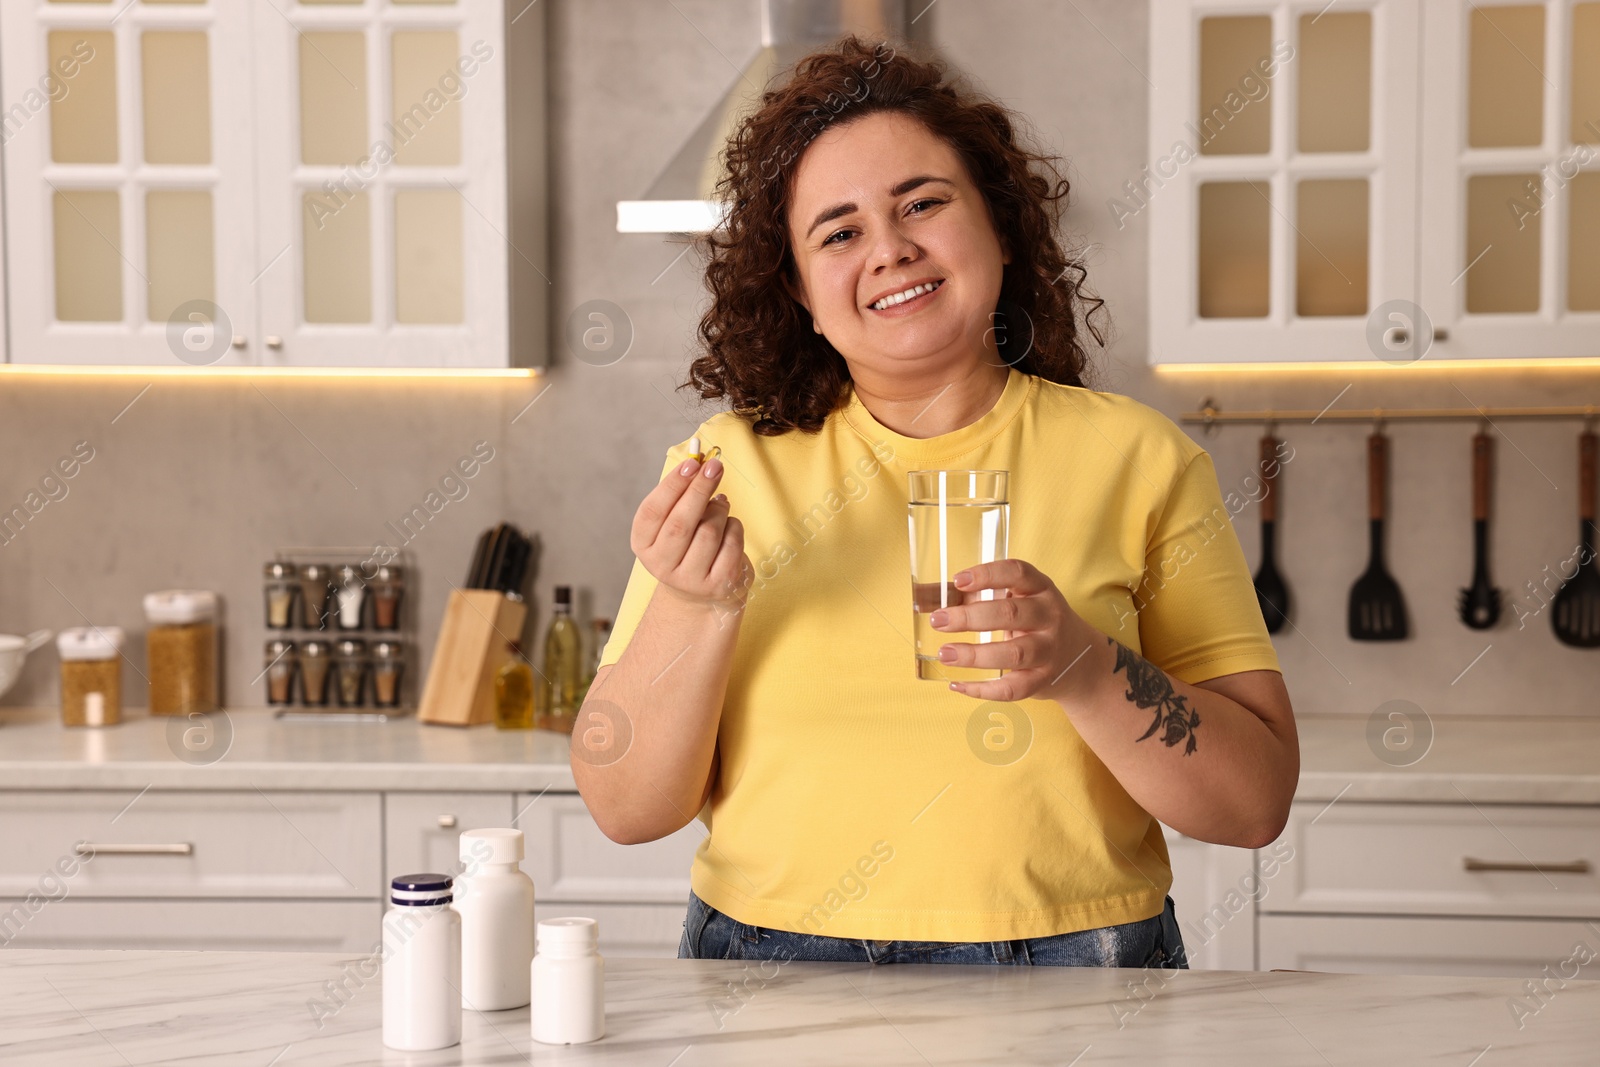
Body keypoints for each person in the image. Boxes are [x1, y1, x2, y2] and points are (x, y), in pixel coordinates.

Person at [572, 36, 1297, 968]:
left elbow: (1256, 804)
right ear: (799, 289)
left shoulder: (1141, 460)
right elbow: (626, 810)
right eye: (838, 232)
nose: (891, 249)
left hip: (1073, 970)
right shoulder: (724, 470)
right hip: (771, 970)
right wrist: (694, 603)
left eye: (922, 203)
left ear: (997, 224)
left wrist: (1082, 663)